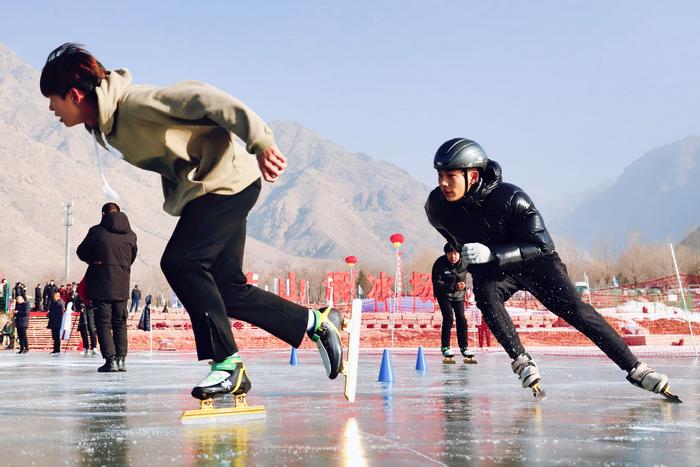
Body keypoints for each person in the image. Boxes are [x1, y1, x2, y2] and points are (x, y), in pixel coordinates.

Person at [41, 43, 345, 405]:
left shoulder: (135, 103)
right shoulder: (104, 125)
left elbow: (204, 98)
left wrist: (260, 141)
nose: (51, 109)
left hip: (226, 181)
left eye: (53, 99)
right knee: (225, 288)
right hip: (213, 187)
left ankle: (228, 365)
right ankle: (316, 322)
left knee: (181, 262)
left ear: (74, 95)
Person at [425, 138, 677, 399]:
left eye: (450, 176)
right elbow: (454, 238)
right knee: (485, 295)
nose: (443, 183)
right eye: (440, 175)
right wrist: (474, 259)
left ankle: (636, 369)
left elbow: (543, 245)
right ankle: (521, 360)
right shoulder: (436, 207)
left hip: (537, 263)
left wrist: (492, 252)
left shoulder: (512, 198)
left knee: (578, 312)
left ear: (473, 176)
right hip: (496, 268)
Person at [77, 202, 137, 372]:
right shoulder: (131, 235)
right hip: (122, 284)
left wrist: (96, 260)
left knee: (103, 323)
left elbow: (81, 252)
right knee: (120, 323)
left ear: (103, 214)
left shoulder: (97, 232)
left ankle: (110, 360)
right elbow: (131, 257)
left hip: (101, 284)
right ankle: (121, 360)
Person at [432, 243, 475, 362]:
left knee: (461, 318)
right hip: (444, 294)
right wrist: (453, 286)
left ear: (459, 254)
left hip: (459, 296)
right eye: (450, 253)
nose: (453, 256)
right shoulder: (439, 263)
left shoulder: (464, 262)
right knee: (449, 318)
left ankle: (464, 347)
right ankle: (445, 346)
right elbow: (437, 283)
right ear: (446, 253)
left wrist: (466, 286)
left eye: (455, 253)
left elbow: (477, 272)